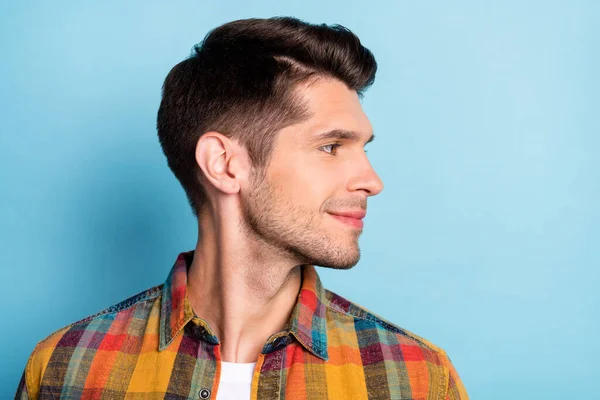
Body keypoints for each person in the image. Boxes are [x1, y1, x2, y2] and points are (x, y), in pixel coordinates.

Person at [15, 16, 468, 400]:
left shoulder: (417, 377)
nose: (371, 181)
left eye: (363, 148)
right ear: (225, 164)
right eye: (331, 147)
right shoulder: (66, 368)